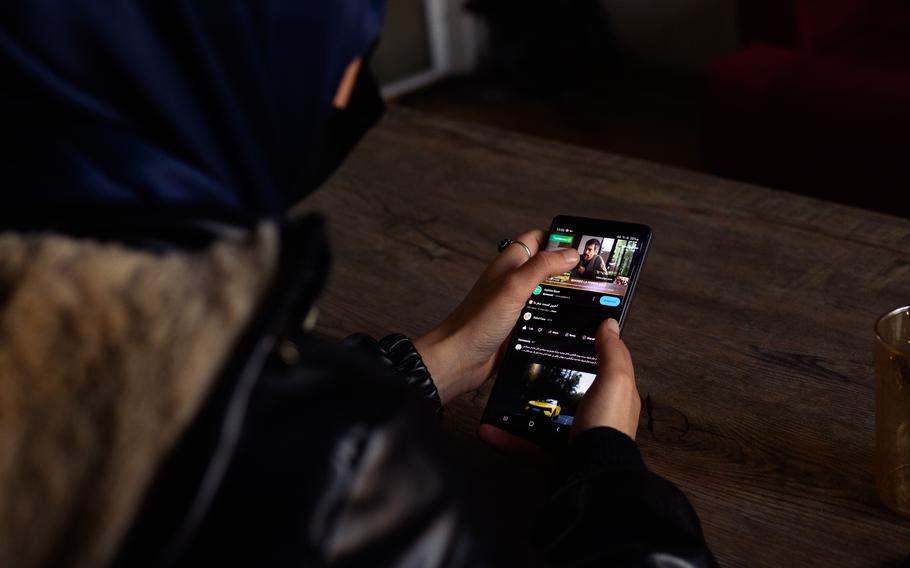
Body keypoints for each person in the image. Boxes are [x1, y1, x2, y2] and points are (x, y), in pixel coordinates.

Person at [0, 2, 717, 567]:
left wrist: (436, 358)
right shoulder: (339, 463)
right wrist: (612, 473)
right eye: (345, 47)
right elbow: (273, 444)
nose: (354, 85)